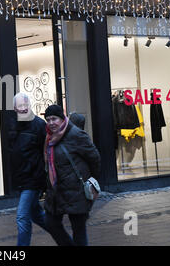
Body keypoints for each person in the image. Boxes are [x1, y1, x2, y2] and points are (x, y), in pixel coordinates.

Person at [43, 105, 101, 246]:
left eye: (54, 119)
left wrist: (90, 179)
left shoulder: (76, 135)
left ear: (62, 119)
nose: (51, 123)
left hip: (77, 191)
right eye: (48, 119)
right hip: (57, 192)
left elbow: (95, 158)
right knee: (50, 223)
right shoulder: (49, 138)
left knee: (78, 230)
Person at [8, 92, 48, 246]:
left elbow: (46, 152)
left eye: (26, 105)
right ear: (14, 108)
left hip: (33, 179)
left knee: (22, 216)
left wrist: (42, 177)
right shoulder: (12, 124)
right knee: (37, 215)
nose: (24, 109)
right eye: (20, 106)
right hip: (21, 179)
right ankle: (64, 238)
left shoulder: (39, 125)